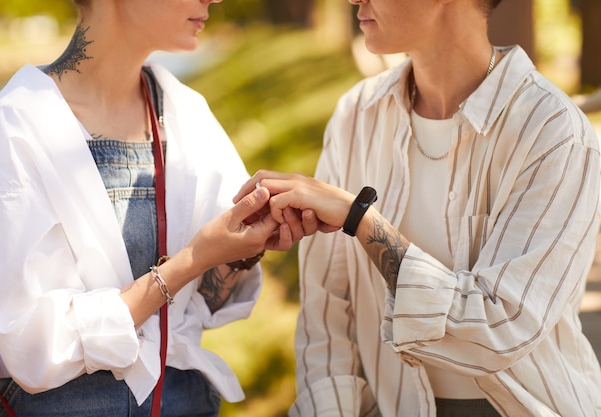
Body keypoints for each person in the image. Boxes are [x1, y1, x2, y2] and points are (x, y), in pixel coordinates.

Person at [235, 0, 601, 415]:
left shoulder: (553, 134)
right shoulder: (357, 116)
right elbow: (328, 319)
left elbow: (502, 329)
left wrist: (362, 221)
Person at [0, 0, 316, 416]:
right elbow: (32, 346)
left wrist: (244, 250)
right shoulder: (13, 127)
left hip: (185, 402)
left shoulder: (187, 114)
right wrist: (191, 260)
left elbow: (205, 300)